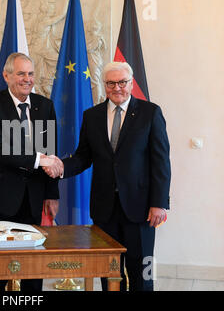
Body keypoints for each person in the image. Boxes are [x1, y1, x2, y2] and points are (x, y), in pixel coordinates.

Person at [44, 61, 171, 291]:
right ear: (104, 85)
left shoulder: (150, 113)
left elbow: (161, 162)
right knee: (109, 273)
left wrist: (159, 203)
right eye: (111, 83)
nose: (117, 88)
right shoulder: (91, 116)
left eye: (122, 82)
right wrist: (60, 166)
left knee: (142, 274)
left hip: (140, 209)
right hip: (105, 210)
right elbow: (83, 157)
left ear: (131, 84)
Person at [0, 52, 60, 291]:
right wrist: (37, 160)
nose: (27, 79)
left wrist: (52, 193)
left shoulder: (45, 106)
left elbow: (51, 152)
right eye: (21, 73)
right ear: (7, 76)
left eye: (31, 73)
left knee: (32, 266)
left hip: (32, 198)